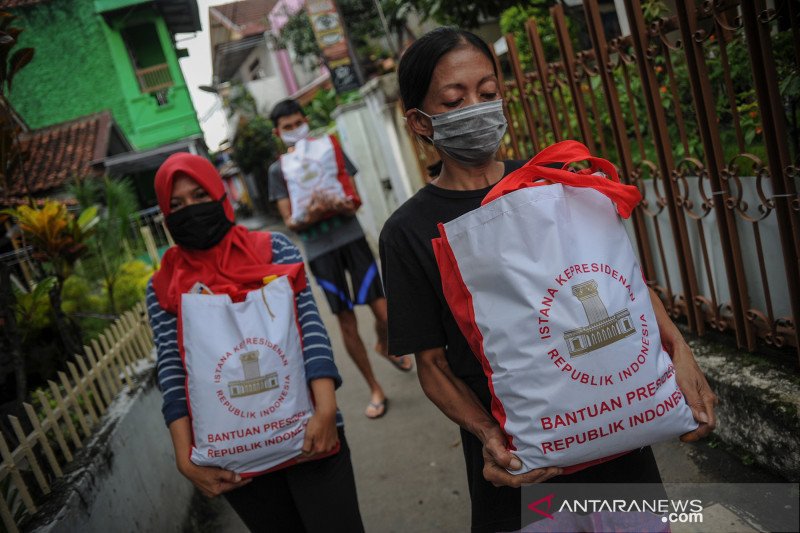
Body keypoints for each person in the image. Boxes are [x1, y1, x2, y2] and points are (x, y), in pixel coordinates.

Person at [379, 27, 718, 533]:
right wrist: (488, 435)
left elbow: (625, 287)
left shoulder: (554, 187)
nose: (477, 107)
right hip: (526, 473)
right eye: (455, 100)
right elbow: (430, 364)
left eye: (488, 94)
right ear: (420, 122)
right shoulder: (407, 232)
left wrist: (683, 358)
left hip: (621, 447)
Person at [146, 152, 364, 532]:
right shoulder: (162, 285)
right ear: (165, 215)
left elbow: (309, 329)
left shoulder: (274, 249)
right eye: (176, 204)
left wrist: (326, 410)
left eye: (200, 196)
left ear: (219, 196)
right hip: (233, 459)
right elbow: (172, 369)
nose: (190, 210)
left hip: (311, 431)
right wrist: (185, 458)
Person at [268, 98, 413, 420]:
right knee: (346, 321)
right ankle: (375, 387)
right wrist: (310, 215)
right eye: (287, 128)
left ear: (306, 120)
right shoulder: (278, 170)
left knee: (384, 313)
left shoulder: (328, 149)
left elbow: (352, 194)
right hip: (319, 251)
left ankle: (384, 344)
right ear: (278, 133)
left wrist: (345, 205)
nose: (295, 130)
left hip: (352, 238)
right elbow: (290, 220)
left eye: (297, 123)